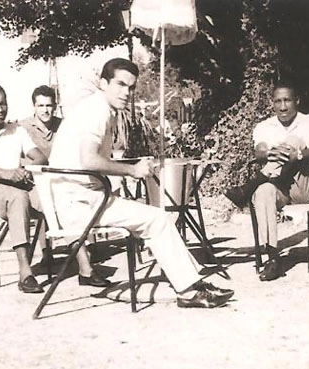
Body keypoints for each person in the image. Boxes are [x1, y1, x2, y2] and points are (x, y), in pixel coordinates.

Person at [48, 57, 234, 309]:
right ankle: (189, 290)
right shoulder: (96, 111)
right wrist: (132, 170)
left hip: (86, 197)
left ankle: (192, 284)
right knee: (157, 219)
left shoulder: (99, 109)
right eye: (120, 84)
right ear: (103, 83)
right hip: (79, 203)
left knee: (155, 218)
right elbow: (89, 160)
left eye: (131, 87)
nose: (126, 93)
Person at [0, 82, 108, 294]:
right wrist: (2, 172)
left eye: (4, 104)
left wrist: (26, 168)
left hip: (20, 184)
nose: (0, 109)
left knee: (56, 197)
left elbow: (40, 157)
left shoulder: (16, 130)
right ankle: (25, 273)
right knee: (18, 198)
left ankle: (85, 268)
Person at [225, 82, 309, 281]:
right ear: (272, 103)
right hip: (278, 186)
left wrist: (297, 155)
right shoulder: (265, 126)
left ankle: (248, 187)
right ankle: (273, 258)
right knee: (263, 192)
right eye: (278, 101)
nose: (283, 106)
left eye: (287, 100)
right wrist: (272, 152)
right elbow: (260, 151)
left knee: (294, 141)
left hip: (303, 184)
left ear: (297, 101)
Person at [19, 85, 62, 159]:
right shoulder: (21, 128)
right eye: (41, 106)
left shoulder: (63, 126)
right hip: (31, 170)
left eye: (49, 106)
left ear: (55, 106)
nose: (45, 110)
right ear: (33, 106)